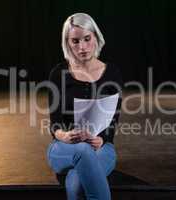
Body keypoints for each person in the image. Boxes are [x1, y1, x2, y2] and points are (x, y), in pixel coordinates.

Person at [46, 13, 123, 200]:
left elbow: (112, 123)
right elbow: (55, 123)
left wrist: (101, 140)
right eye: (75, 41)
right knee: (82, 150)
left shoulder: (112, 73)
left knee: (75, 182)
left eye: (87, 39)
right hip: (64, 148)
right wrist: (64, 135)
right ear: (67, 43)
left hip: (101, 148)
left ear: (96, 37)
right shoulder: (58, 74)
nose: (82, 47)